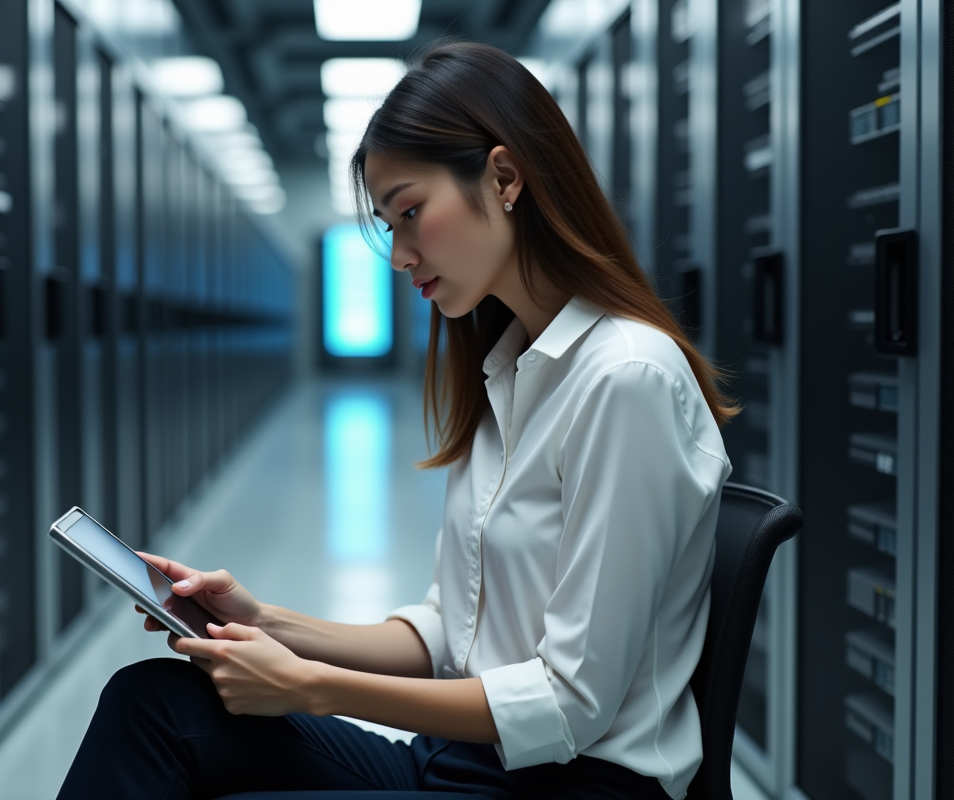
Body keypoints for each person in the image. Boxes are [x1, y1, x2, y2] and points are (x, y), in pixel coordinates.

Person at [57, 40, 736, 800]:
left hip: (569, 787)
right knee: (150, 704)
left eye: (411, 212)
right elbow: (450, 634)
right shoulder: (511, 370)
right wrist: (267, 622)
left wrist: (308, 686)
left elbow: (569, 705)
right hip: (462, 764)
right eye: (388, 225)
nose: (399, 254)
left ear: (505, 177)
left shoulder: (625, 379)